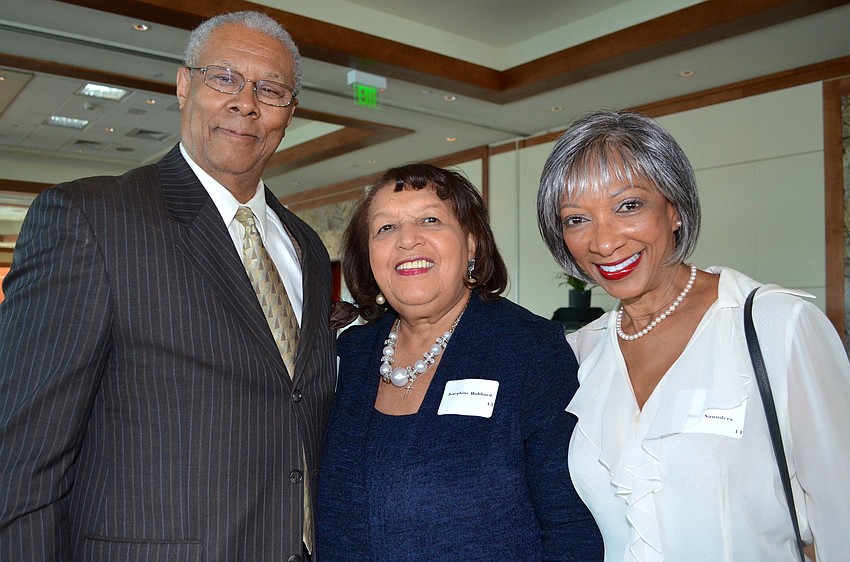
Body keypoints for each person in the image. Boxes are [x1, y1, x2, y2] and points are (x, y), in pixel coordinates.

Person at [0, 11, 335, 562]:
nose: (245, 102)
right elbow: (22, 458)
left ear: (290, 113)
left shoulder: (307, 247)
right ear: (184, 86)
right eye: (223, 77)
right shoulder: (90, 218)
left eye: (270, 89)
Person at [536, 109, 850, 561]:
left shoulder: (777, 327)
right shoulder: (580, 355)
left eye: (628, 206)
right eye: (576, 219)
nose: (603, 243)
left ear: (675, 209)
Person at [316, 163, 602, 560]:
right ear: (368, 255)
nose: (407, 240)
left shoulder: (530, 351)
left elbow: (571, 528)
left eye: (430, 220)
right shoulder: (349, 355)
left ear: (471, 243)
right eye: (386, 228)